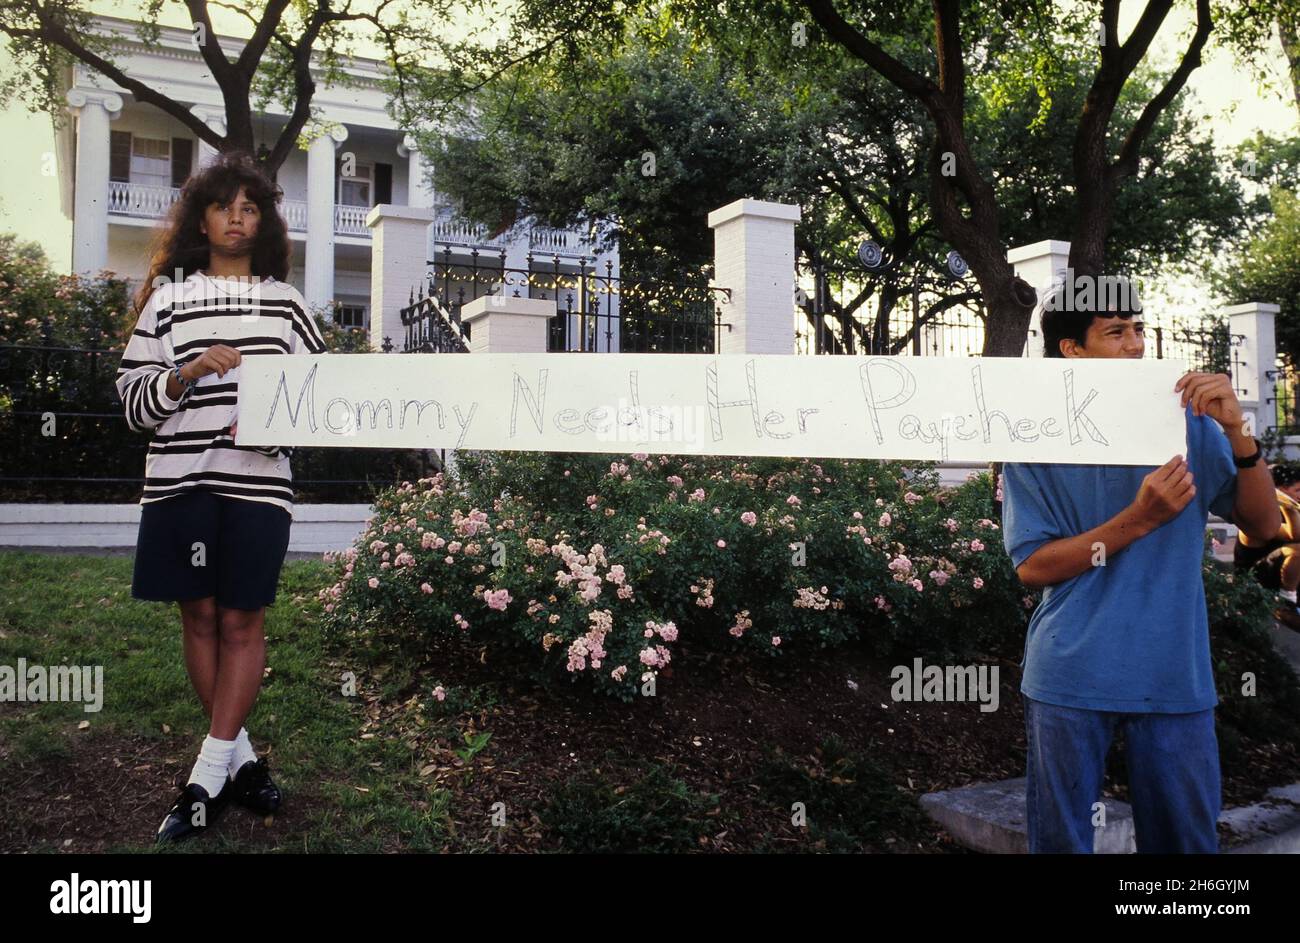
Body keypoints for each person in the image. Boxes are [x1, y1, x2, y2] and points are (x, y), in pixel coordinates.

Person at [1000, 275, 1280, 853]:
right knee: (1060, 843)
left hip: (1173, 674)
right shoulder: (1035, 439)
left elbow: (1265, 527)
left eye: (1138, 331)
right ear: (1072, 350)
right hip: (1070, 675)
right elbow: (1032, 566)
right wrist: (1141, 518)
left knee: (1185, 848)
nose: (1135, 345)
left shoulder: (1193, 428)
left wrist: (1237, 432)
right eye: (1116, 333)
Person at [114, 152, 328, 843]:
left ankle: (205, 777)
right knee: (199, 621)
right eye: (223, 206)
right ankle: (241, 760)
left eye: (251, 207)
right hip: (179, 482)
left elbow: (317, 403)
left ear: (262, 221)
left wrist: (277, 424)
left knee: (242, 623)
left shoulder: (287, 304)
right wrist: (184, 375)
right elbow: (133, 404)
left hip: (257, 487)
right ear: (201, 219)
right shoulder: (168, 300)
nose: (237, 217)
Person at [1233, 462, 1300, 632]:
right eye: (1297, 491)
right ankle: (1286, 601)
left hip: (1280, 578)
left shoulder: (1291, 512)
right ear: (1278, 491)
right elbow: (1294, 535)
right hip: (1256, 585)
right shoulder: (1257, 518)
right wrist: (1286, 505)